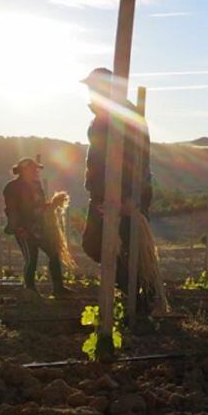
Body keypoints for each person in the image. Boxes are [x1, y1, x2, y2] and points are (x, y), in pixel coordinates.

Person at [80, 67, 154, 309]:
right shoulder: (100, 116)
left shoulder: (126, 115)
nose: (91, 91)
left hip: (124, 194)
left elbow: (139, 157)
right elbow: (97, 155)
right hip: (102, 193)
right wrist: (95, 188)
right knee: (94, 244)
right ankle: (129, 291)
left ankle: (140, 301)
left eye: (95, 87)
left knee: (132, 249)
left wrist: (131, 196)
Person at [3, 158, 69, 296]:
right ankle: (30, 289)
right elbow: (12, 210)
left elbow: (40, 206)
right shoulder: (12, 187)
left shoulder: (36, 185)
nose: (36, 171)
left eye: (37, 169)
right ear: (24, 170)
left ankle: (58, 288)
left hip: (40, 227)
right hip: (24, 229)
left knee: (54, 254)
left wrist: (52, 204)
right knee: (31, 259)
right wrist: (20, 228)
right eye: (33, 169)